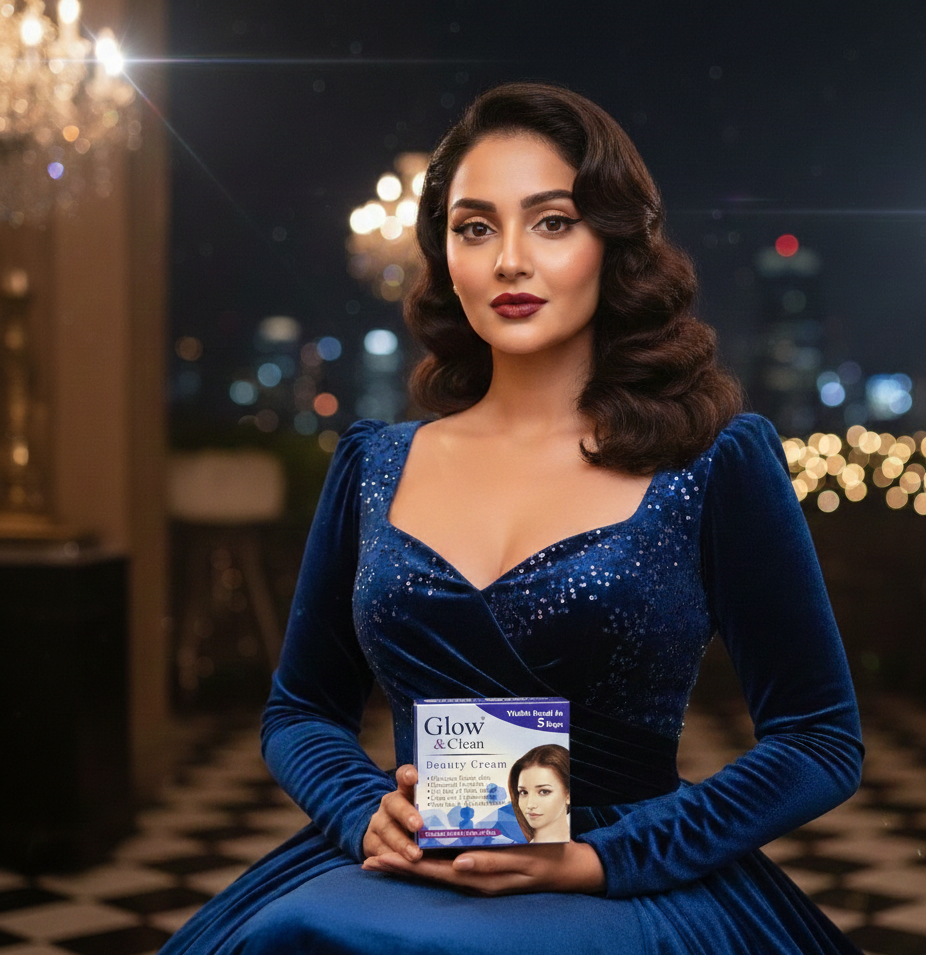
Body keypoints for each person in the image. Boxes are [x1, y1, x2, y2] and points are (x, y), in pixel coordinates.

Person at [160, 82, 865, 954]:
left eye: (552, 221)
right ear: (443, 255)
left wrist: (599, 858)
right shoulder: (373, 464)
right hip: (408, 870)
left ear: (614, 242)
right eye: (474, 226)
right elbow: (300, 707)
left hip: (620, 882)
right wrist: (359, 812)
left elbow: (819, 739)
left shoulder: (715, 460)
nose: (508, 262)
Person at [508, 744, 572, 844]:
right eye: (523, 792)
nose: (530, 805)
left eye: (544, 792)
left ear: (568, 794)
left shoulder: (593, 843)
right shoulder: (514, 850)